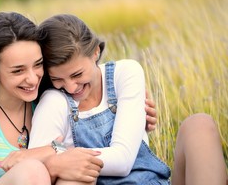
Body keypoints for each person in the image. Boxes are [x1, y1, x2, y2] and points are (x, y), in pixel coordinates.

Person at [0, 11, 158, 185]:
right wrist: (53, 162)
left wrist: (134, 113)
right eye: (18, 71)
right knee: (33, 172)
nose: (32, 79)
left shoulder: (50, 99)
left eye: (38, 65)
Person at [28, 14, 227, 185]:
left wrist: (62, 155)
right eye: (57, 79)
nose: (71, 87)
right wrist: (56, 160)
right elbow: (37, 167)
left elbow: (123, 160)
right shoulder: (54, 101)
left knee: (199, 124)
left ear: (96, 52)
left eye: (77, 74)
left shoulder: (124, 74)